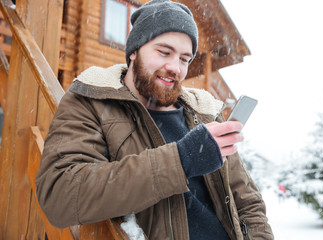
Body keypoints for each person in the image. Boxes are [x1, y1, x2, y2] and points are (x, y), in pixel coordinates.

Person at [35, 0, 274, 239]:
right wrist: (182, 159)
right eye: (164, 52)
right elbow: (60, 195)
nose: (175, 67)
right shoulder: (91, 101)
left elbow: (248, 203)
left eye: (184, 59)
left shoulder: (205, 113)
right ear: (134, 51)